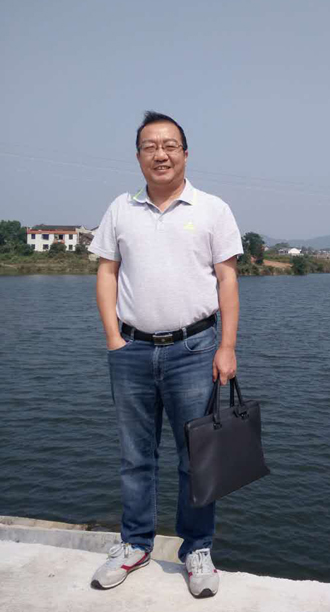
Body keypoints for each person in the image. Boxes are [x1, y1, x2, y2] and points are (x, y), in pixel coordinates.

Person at [89, 111, 243, 598]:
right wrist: (113, 339)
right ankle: (135, 543)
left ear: (185, 153)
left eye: (170, 145)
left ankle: (196, 548)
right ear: (138, 156)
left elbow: (227, 279)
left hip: (195, 350)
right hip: (131, 349)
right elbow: (107, 272)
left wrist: (227, 346)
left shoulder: (212, 208)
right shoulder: (121, 209)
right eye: (150, 146)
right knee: (135, 457)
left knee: (197, 457)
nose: (161, 154)